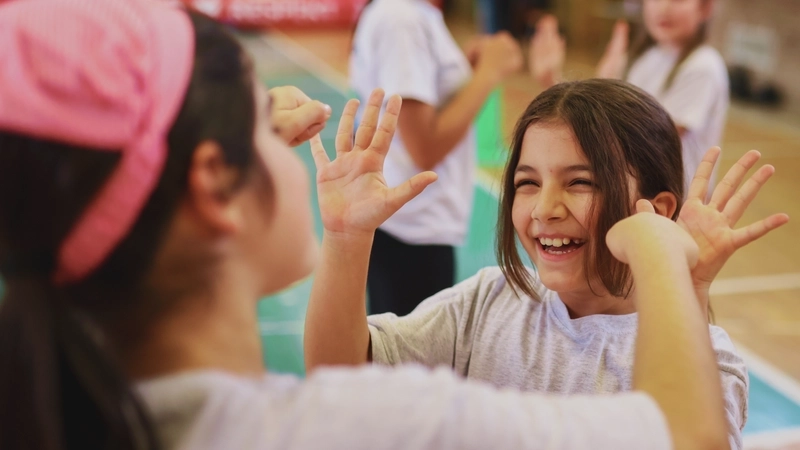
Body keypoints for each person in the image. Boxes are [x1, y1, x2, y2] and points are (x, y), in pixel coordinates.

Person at [0, 0, 735, 448]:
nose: (302, 118)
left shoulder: (61, 403)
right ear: (212, 185)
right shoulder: (374, 423)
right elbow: (685, 437)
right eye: (267, 118)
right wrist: (662, 254)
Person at [304, 80, 790, 450]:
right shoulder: (487, 301)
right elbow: (339, 374)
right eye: (528, 182)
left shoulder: (709, 361)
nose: (544, 209)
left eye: (580, 182)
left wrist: (673, 270)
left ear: (658, 210)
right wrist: (347, 239)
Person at [351, 0, 523, 315]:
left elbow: (425, 112)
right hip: (411, 228)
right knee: (410, 357)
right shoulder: (402, 19)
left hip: (410, 222)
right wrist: (488, 73)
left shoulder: (412, 14)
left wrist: (467, 73)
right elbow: (424, 147)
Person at [529, 0, 729, 194]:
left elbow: (650, 137)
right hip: (638, 193)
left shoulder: (703, 65)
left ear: (705, 7)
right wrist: (551, 80)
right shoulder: (645, 58)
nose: (664, 7)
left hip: (673, 204)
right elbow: (603, 116)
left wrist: (603, 89)